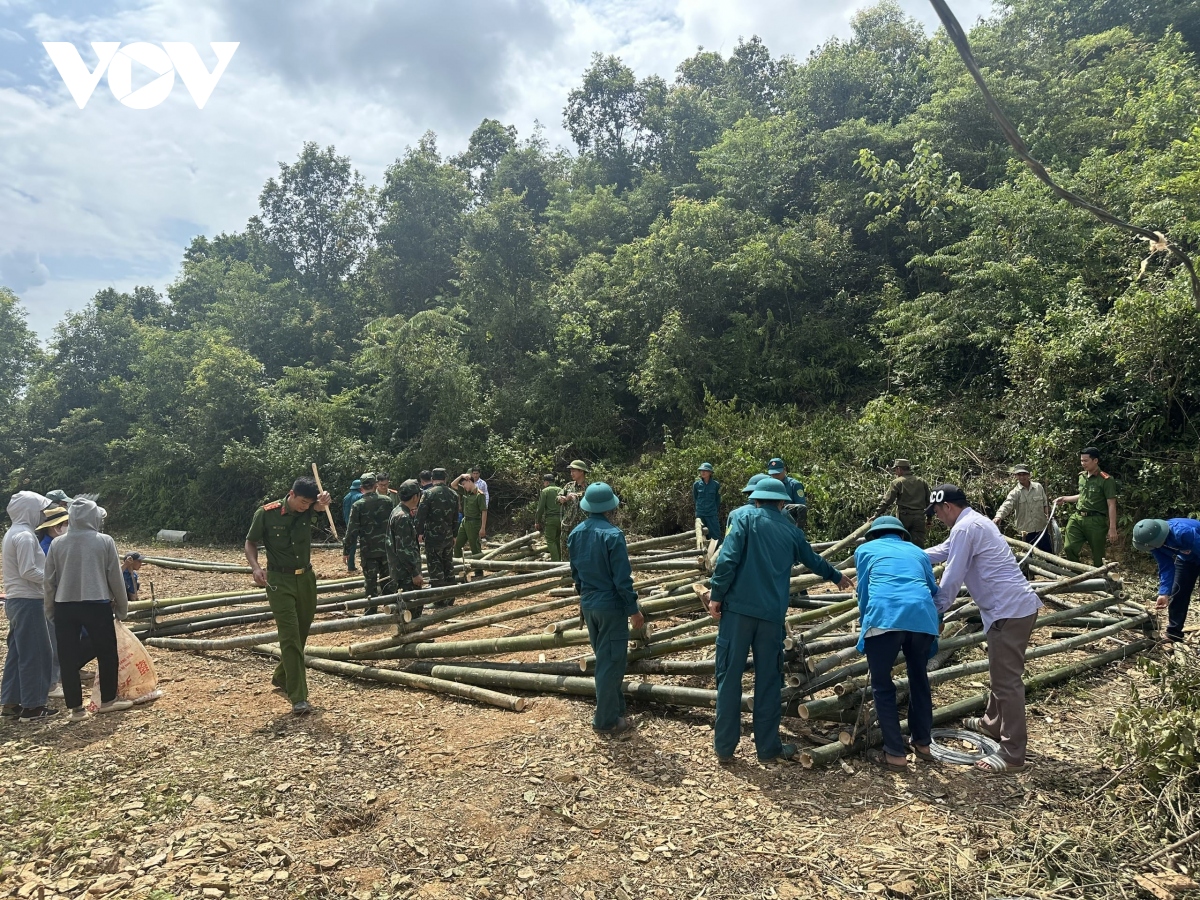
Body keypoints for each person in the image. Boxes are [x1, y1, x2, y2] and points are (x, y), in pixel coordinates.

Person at [702, 478, 852, 762]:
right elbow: (813, 559)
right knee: (769, 681)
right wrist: (837, 576)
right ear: (782, 503)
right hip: (771, 617)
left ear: (756, 499)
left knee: (729, 678)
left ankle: (724, 749)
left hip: (737, 614)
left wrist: (716, 595)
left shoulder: (743, 518)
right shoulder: (791, 531)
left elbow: (728, 559)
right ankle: (768, 749)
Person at [926, 484, 1042, 774]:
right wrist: (906, 553)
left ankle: (1013, 753)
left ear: (947, 507)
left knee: (1007, 682)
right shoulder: (973, 522)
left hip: (1008, 612)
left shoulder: (966, 528)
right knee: (1000, 672)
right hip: (1008, 609)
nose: (938, 517)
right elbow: (943, 551)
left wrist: (935, 609)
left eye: (937, 511)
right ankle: (992, 724)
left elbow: (952, 577)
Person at [854, 516, 940, 770]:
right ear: (902, 535)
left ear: (875, 535)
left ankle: (894, 753)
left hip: (884, 617)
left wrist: (865, 626)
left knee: (882, 685)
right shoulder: (918, 552)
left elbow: (864, 593)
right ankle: (923, 743)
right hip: (922, 618)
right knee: (919, 678)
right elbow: (932, 589)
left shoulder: (865, 550)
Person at [245, 476, 332, 715]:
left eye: (308, 503)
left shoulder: (308, 510)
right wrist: (255, 567)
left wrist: (323, 502)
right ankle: (299, 696)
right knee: (290, 636)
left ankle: (282, 675)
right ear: (291, 494)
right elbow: (250, 542)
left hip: (306, 579)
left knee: (301, 632)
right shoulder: (266, 513)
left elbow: (318, 507)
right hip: (279, 581)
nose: (305, 507)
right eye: (302, 502)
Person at [44, 497, 133, 721]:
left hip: (65, 606)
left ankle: (76, 709)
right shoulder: (104, 541)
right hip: (97, 605)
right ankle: (108, 701)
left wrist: (50, 610)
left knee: (67, 657)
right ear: (94, 517)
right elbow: (115, 578)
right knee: (106, 653)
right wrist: (122, 608)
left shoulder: (58, 543)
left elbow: (49, 581)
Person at [567, 483, 644, 737]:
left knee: (607, 659)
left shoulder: (575, 533)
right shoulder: (613, 535)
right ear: (610, 507)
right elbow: (623, 579)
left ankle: (616, 708)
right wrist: (633, 609)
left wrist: (585, 598)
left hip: (589, 605)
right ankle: (605, 721)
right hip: (611, 606)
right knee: (610, 664)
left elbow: (576, 574)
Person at [1, 492, 57, 723]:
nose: (42, 514)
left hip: (17, 600)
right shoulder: (24, 536)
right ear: (29, 510)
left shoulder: (13, 533)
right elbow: (28, 570)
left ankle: (11, 702)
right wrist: (53, 580)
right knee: (37, 653)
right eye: (40, 509)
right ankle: (33, 707)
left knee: (18, 652)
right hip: (28, 601)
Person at [1132, 518, 1200, 644]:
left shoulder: (1183, 533)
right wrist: (1164, 593)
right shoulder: (1153, 544)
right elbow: (1166, 566)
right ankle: (1174, 634)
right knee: (1178, 593)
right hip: (1186, 559)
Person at [1056, 448, 1118, 567]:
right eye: (1081, 461)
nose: (1083, 463)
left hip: (1095, 521)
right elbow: (1082, 496)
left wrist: (1112, 528)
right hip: (1077, 518)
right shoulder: (1082, 477)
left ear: (1095, 460)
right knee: (1069, 547)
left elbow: (1111, 504)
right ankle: (1076, 575)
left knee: (1098, 555)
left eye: (1086, 460)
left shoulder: (1106, 480)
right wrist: (1064, 499)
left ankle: (1098, 580)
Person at [343, 473, 395, 615]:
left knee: (370, 582)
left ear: (361, 488)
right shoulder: (387, 501)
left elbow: (352, 530)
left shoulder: (358, 505)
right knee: (388, 579)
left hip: (368, 549)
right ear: (375, 485)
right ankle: (390, 608)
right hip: (386, 548)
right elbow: (393, 524)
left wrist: (346, 550)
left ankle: (371, 610)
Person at [416, 468, 459, 594]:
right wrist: (454, 535)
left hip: (433, 537)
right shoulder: (453, 494)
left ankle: (439, 598)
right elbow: (456, 517)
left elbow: (420, 516)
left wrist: (419, 533)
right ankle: (450, 595)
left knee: (435, 567)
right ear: (445, 478)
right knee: (448, 565)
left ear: (432, 479)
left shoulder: (428, 494)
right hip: (448, 536)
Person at [387, 480, 426, 617]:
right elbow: (403, 549)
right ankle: (413, 636)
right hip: (406, 573)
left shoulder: (397, 511)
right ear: (415, 497)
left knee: (405, 606)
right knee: (411, 607)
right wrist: (414, 573)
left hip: (400, 570)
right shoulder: (403, 517)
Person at [873, 459, 932, 548]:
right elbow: (929, 501)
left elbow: (887, 500)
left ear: (899, 469)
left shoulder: (898, 482)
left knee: (902, 544)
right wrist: (929, 519)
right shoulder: (921, 481)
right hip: (919, 517)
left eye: (896, 470)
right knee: (918, 545)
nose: (895, 473)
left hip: (904, 517)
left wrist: (876, 514)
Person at [993, 466, 1052, 552]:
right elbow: (1007, 505)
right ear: (1016, 476)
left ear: (1029, 475)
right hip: (1025, 532)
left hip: (1041, 528)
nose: (1022, 477)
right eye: (1019, 475)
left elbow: (1045, 504)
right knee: (1027, 558)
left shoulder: (1038, 487)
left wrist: (1049, 514)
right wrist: (998, 516)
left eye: (1024, 474)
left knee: (1049, 554)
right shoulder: (1015, 492)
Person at [452, 473, 488, 580]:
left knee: (475, 548)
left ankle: (478, 572)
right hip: (465, 521)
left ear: (470, 481)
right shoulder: (465, 492)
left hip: (474, 523)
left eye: (464, 484)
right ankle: (459, 570)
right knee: (457, 545)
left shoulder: (479, 495)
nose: (464, 487)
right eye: (462, 485)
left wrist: (483, 528)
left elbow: (484, 512)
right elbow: (453, 485)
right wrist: (461, 476)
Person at [558, 461, 591, 560]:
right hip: (568, 524)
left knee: (583, 550)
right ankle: (565, 574)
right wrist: (564, 498)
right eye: (570, 471)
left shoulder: (589, 488)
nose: (571, 473)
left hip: (583, 526)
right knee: (565, 549)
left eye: (573, 471)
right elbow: (558, 498)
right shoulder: (568, 486)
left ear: (581, 471)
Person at [534, 474, 563, 561]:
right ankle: (560, 561)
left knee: (550, 540)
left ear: (546, 482)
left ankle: (555, 562)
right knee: (558, 540)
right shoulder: (561, 490)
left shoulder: (545, 491)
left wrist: (537, 521)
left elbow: (540, 508)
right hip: (562, 519)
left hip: (550, 519)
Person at [693, 463, 724, 546]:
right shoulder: (696, 485)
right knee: (701, 535)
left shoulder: (715, 485)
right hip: (700, 514)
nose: (703, 472)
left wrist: (714, 510)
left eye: (705, 471)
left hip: (711, 514)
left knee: (715, 535)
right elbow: (695, 498)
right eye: (701, 471)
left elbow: (717, 499)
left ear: (710, 473)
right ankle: (702, 554)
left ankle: (717, 554)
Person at [341, 479, 363, 572]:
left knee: (351, 545)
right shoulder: (360, 496)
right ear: (360, 488)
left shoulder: (346, 497)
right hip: (360, 523)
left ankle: (351, 566)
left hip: (349, 523)